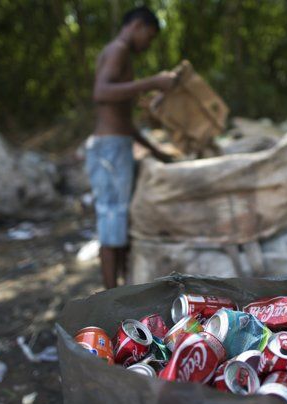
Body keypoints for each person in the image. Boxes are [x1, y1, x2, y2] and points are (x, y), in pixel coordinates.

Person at [87, 6, 176, 289]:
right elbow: (101, 93)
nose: (147, 44)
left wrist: (155, 150)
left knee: (119, 223)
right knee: (112, 225)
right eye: (148, 36)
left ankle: (120, 289)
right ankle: (110, 295)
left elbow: (123, 121)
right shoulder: (119, 50)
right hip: (110, 150)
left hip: (118, 144)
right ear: (137, 25)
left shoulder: (120, 53)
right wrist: (152, 82)